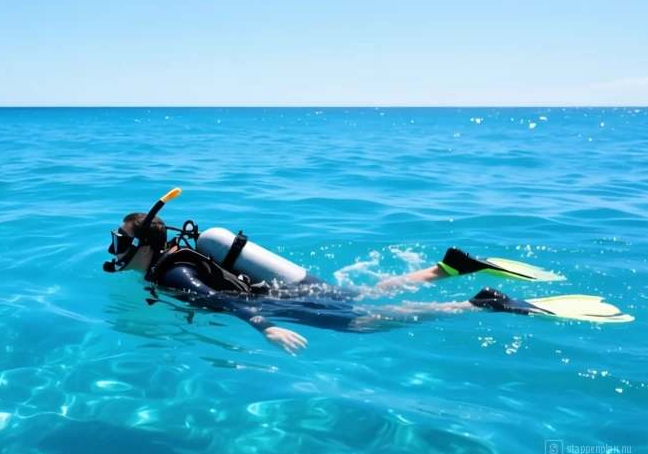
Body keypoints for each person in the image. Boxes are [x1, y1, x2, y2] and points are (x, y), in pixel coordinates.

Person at [103, 189, 631, 355]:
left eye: (121, 242)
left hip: (272, 301)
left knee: (363, 320)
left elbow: (225, 302)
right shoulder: (175, 258)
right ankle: (449, 269)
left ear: (143, 244)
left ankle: (476, 303)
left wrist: (267, 326)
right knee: (357, 292)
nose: (116, 250)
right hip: (282, 284)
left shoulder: (171, 276)